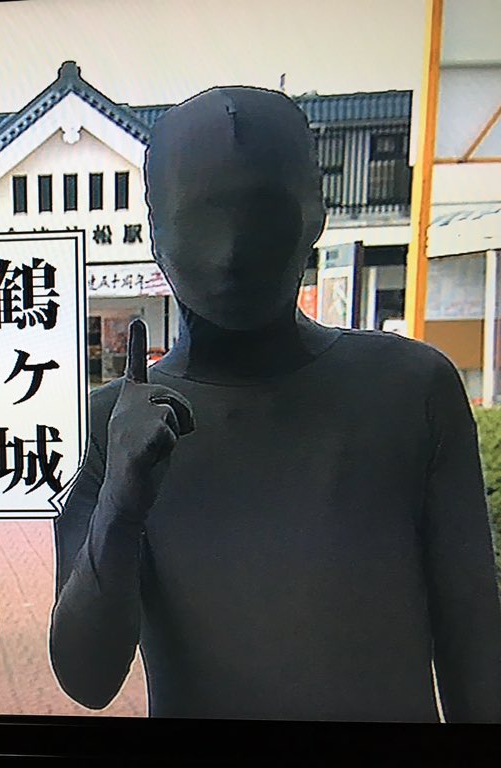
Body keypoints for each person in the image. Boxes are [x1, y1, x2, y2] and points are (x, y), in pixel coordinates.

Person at [49, 86, 501, 722]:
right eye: (202, 216)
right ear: (157, 231)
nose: (232, 250)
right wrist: (120, 506)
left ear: (315, 213)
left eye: (263, 211)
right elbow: (86, 678)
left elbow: (476, 652)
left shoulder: (411, 389)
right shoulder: (118, 423)